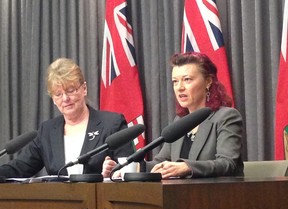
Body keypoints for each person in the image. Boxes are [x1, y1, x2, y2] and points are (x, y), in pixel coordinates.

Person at [0, 58, 134, 178]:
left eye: (70, 90)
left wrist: (114, 172)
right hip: (61, 203)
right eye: (58, 94)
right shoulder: (47, 131)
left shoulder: (112, 124)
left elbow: (130, 166)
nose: (65, 99)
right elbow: (19, 168)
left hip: (101, 201)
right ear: (53, 98)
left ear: (84, 88)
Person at [145, 52, 244, 179]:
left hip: (217, 195)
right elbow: (160, 163)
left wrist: (187, 167)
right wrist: (134, 167)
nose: (179, 87)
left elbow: (227, 164)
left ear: (208, 81)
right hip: (181, 194)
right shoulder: (180, 121)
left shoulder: (226, 117)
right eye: (175, 81)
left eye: (187, 79)